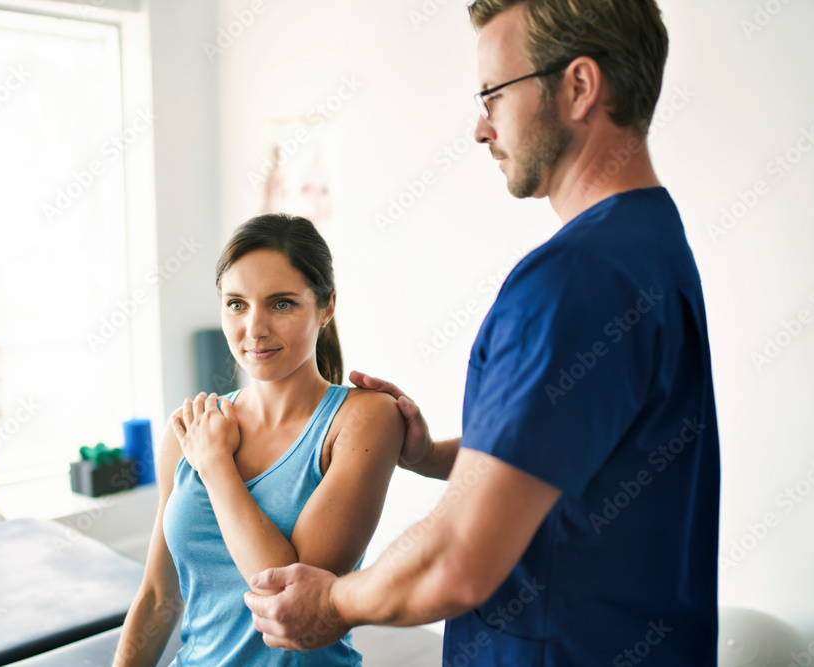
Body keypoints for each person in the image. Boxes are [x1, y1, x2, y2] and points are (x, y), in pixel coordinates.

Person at [244, 1, 720, 665]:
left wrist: (334, 602)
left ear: (579, 87)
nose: (479, 126)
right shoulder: (652, 244)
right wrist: (438, 454)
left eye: (494, 94)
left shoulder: (570, 279)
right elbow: (589, 445)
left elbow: (459, 559)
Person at [113, 214, 405, 666]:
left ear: (326, 307)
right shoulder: (189, 431)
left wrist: (215, 466)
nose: (255, 328)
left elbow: (286, 596)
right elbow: (156, 597)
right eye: (236, 304)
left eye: (282, 304)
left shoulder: (365, 419)